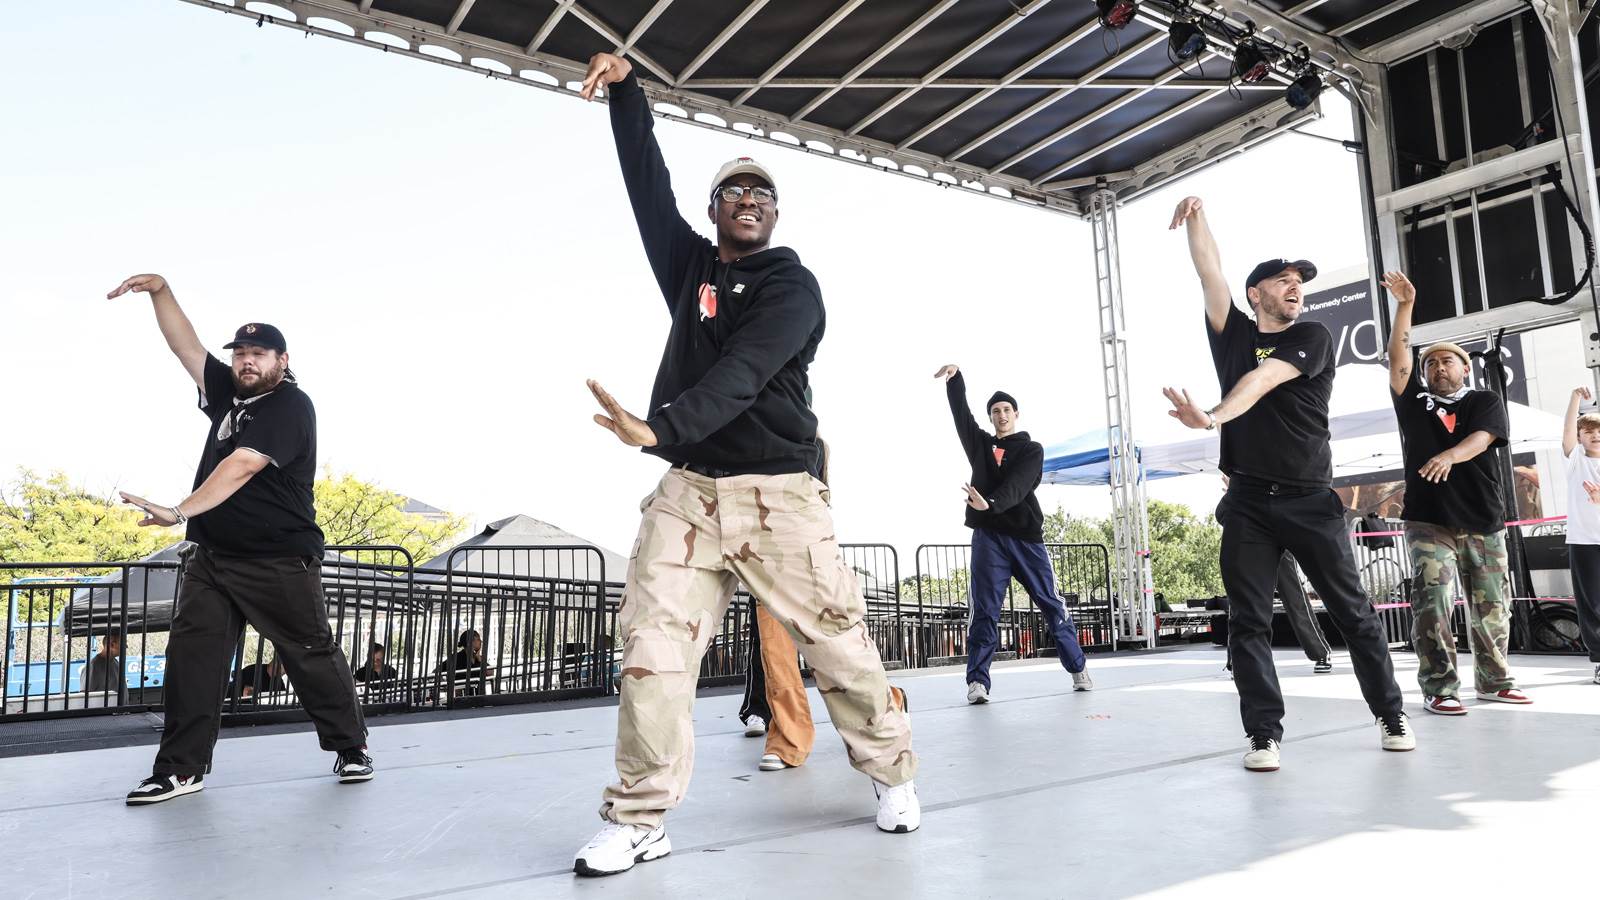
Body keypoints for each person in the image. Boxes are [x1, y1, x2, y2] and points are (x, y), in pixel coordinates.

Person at [570, 51, 918, 877]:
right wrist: (627, 92)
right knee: (652, 655)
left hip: (779, 495)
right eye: (734, 191)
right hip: (689, 496)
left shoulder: (793, 287)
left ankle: (892, 771)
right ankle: (640, 816)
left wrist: (661, 427)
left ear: (774, 214)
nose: (749, 200)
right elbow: (644, 184)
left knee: (837, 649)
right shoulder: (691, 269)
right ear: (716, 209)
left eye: (762, 192)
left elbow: (745, 372)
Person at [1163, 196, 1413, 773]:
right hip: (1248, 501)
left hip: (1309, 500)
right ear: (1257, 294)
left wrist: (1213, 416)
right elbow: (1209, 272)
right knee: (1247, 620)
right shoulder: (1233, 333)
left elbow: (1264, 379)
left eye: (1299, 279)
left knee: (1353, 613)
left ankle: (1390, 714)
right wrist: (1198, 216)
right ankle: (1263, 735)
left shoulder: (1314, 336)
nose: (1295, 286)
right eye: (1282, 279)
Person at [108, 273, 372, 806]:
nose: (247, 361)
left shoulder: (290, 407)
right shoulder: (230, 393)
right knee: (193, 658)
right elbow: (186, 346)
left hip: (278, 559)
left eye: (259, 353)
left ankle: (351, 747)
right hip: (213, 559)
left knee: (308, 653)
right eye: (241, 353)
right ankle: (180, 769)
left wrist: (177, 511)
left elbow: (243, 465)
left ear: (282, 359)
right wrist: (161, 291)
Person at [1383, 271, 1530, 713]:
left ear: (1465, 368)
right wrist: (1405, 304)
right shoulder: (1414, 403)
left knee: (1492, 609)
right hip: (1429, 520)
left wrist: (1451, 456)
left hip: (1483, 518)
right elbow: (1398, 361)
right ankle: (1440, 689)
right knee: (1433, 603)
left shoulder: (1483, 400)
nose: (1438, 367)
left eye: (1447, 361)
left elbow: (1483, 438)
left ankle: (1495, 681)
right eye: (1431, 363)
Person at [934, 365, 1092, 702]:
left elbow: (1018, 486)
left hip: (1024, 537)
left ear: (1016, 414)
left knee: (1050, 602)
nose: (1001, 415)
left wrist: (990, 504)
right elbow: (961, 416)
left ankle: (1078, 666)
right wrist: (955, 380)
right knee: (985, 609)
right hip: (989, 538)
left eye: (1006, 410)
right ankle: (978, 682)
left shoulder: (1031, 449)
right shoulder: (980, 445)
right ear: (990, 417)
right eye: (995, 411)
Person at [1562, 385, 1600, 684]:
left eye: (1598, 431)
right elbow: (1568, 430)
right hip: (1583, 541)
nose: (1595, 435)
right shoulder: (1575, 460)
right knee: (1591, 603)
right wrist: (1576, 398)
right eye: (1588, 431)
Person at [435, 629, 493, 696]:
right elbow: (437, 671)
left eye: (479, 640)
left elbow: (490, 673)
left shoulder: (480, 658)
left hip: (480, 696)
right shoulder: (456, 658)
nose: (478, 643)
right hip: (461, 698)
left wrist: (479, 658)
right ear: (467, 643)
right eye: (475, 640)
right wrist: (444, 683)